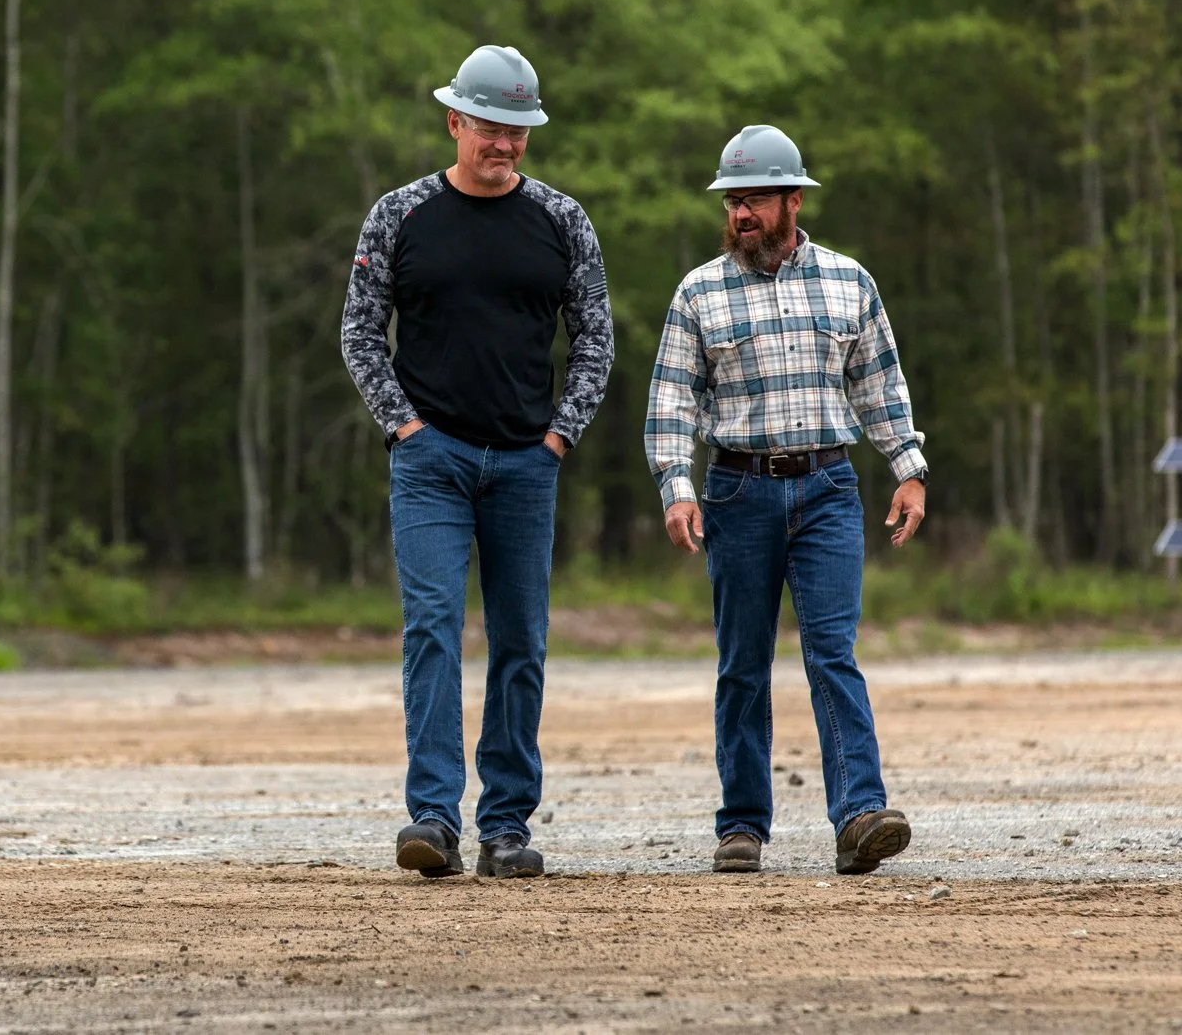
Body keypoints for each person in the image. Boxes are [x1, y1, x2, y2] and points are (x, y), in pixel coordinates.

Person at [342, 44, 614, 879]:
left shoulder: (563, 220)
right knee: (431, 629)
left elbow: (595, 337)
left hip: (527, 463)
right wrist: (405, 428)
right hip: (432, 459)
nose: (504, 143)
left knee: (520, 639)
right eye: (491, 126)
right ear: (455, 120)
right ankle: (432, 816)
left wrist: (561, 433)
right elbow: (360, 332)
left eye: (519, 130)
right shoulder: (399, 216)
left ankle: (505, 824)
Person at [644, 125, 927, 876]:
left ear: (792, 200)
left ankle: (860, 814)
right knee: (742, 662)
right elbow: (671, 400)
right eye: (733, 200)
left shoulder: (849, 282)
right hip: (737, 489)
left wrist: (908, 467)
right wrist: (676, 486)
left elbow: (880, 384)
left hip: (829, 485)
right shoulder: (698, 291)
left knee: (832, 651)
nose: (740, 213)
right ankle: (741, 824)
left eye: (755, 199)